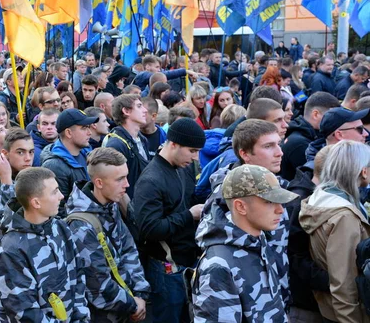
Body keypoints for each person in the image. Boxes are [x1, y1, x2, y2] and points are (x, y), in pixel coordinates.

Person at [192, 164, 298, 322]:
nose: (280, 210)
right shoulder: (218, 265)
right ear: (241, 206)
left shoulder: (259, 240)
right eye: (269, 202)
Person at [133, 118, 206, 323]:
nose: (195, 157)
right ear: (173, 144)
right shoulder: (151, 180)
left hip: (185, 264)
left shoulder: (183, 168)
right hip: (166, 271)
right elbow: (150, 228)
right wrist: (189, 215)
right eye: (192, 150)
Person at [0, 167, 90, 322]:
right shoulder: (11, 249)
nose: (61, 196)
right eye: (54, 192)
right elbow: (24, 313)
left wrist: (81, 318)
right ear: (36, 202)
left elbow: (78, 275)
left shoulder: (60, 227)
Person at [66, 148, 150, 322]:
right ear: (99, 182)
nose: (127, 184)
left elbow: (128, 248)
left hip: (126, 306)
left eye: (126, 177)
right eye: (120, 179)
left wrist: (141, 293)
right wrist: (134, 304)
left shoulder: (110, 203)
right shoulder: (81, 225)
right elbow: (98, 285)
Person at [300, 141, 370, 323]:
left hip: (331, 308)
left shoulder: (322, 197)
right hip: (348, 314)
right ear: (363, 171)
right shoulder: (343, 217)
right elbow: (344, 283)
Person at [286, 145, 332, 322]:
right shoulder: (300, 200)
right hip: (306, 305)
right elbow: (293, 255)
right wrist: (333, 281)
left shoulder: (321, 196)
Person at [41, 109, 98, 217]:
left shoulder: (87, 153)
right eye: (84, 128)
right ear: (68, 133)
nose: (89, 132)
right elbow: (58, 211)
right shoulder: (54, 166)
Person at [281, 92, 339, 180]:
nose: (334, 120)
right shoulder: (300, 143)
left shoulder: (308, 134)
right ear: (315, 114)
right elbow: (318, 178)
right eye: (332, 116)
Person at [103, 95, 150, 198]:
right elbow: (115, 186)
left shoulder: (142, 140)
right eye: (139, 106)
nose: (145, 110)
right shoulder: (116, 145)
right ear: (126, 111)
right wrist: (129, 212)